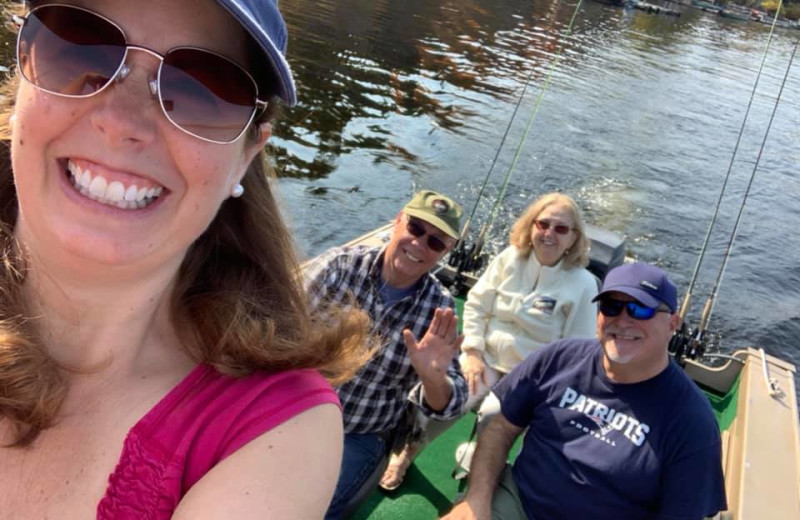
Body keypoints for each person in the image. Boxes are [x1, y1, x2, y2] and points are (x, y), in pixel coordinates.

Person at [0, 1, 370, 518]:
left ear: (248, 153)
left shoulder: (271, 431)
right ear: (24, 76)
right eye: (77, 47)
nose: (119, 121)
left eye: (202, 89)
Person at [441, 262, 727, 520]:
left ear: (672, 325)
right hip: (521, 504)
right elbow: (501, 427)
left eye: (641, 308)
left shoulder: (692, 420)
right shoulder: (559, 357)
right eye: (612, 306)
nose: (623, 320)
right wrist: (476, 501)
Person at [380, 192, 598, 490]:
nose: (549, 234)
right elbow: (476, 305)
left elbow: (577, 353)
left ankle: (480, 481)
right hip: (484, 358)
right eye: (543, 224)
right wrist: (472, 352)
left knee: (494, 414)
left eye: (561, 229)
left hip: (532, 377)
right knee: (444, 391)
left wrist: (541, 388)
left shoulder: (584, 285)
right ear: (531, 226)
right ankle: (406, 453)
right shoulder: (509, 258)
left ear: (574, 238)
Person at [304, 190, 469, 519]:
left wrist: (432, 377)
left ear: (446, 252)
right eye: (416, 228)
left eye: (436, 242)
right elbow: (279, 323)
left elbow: (451, 401)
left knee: (313, 509)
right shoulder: (339, 266)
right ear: (397, 221)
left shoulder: (440, 308)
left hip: (359, 432)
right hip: (296, 408)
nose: (420, 244)